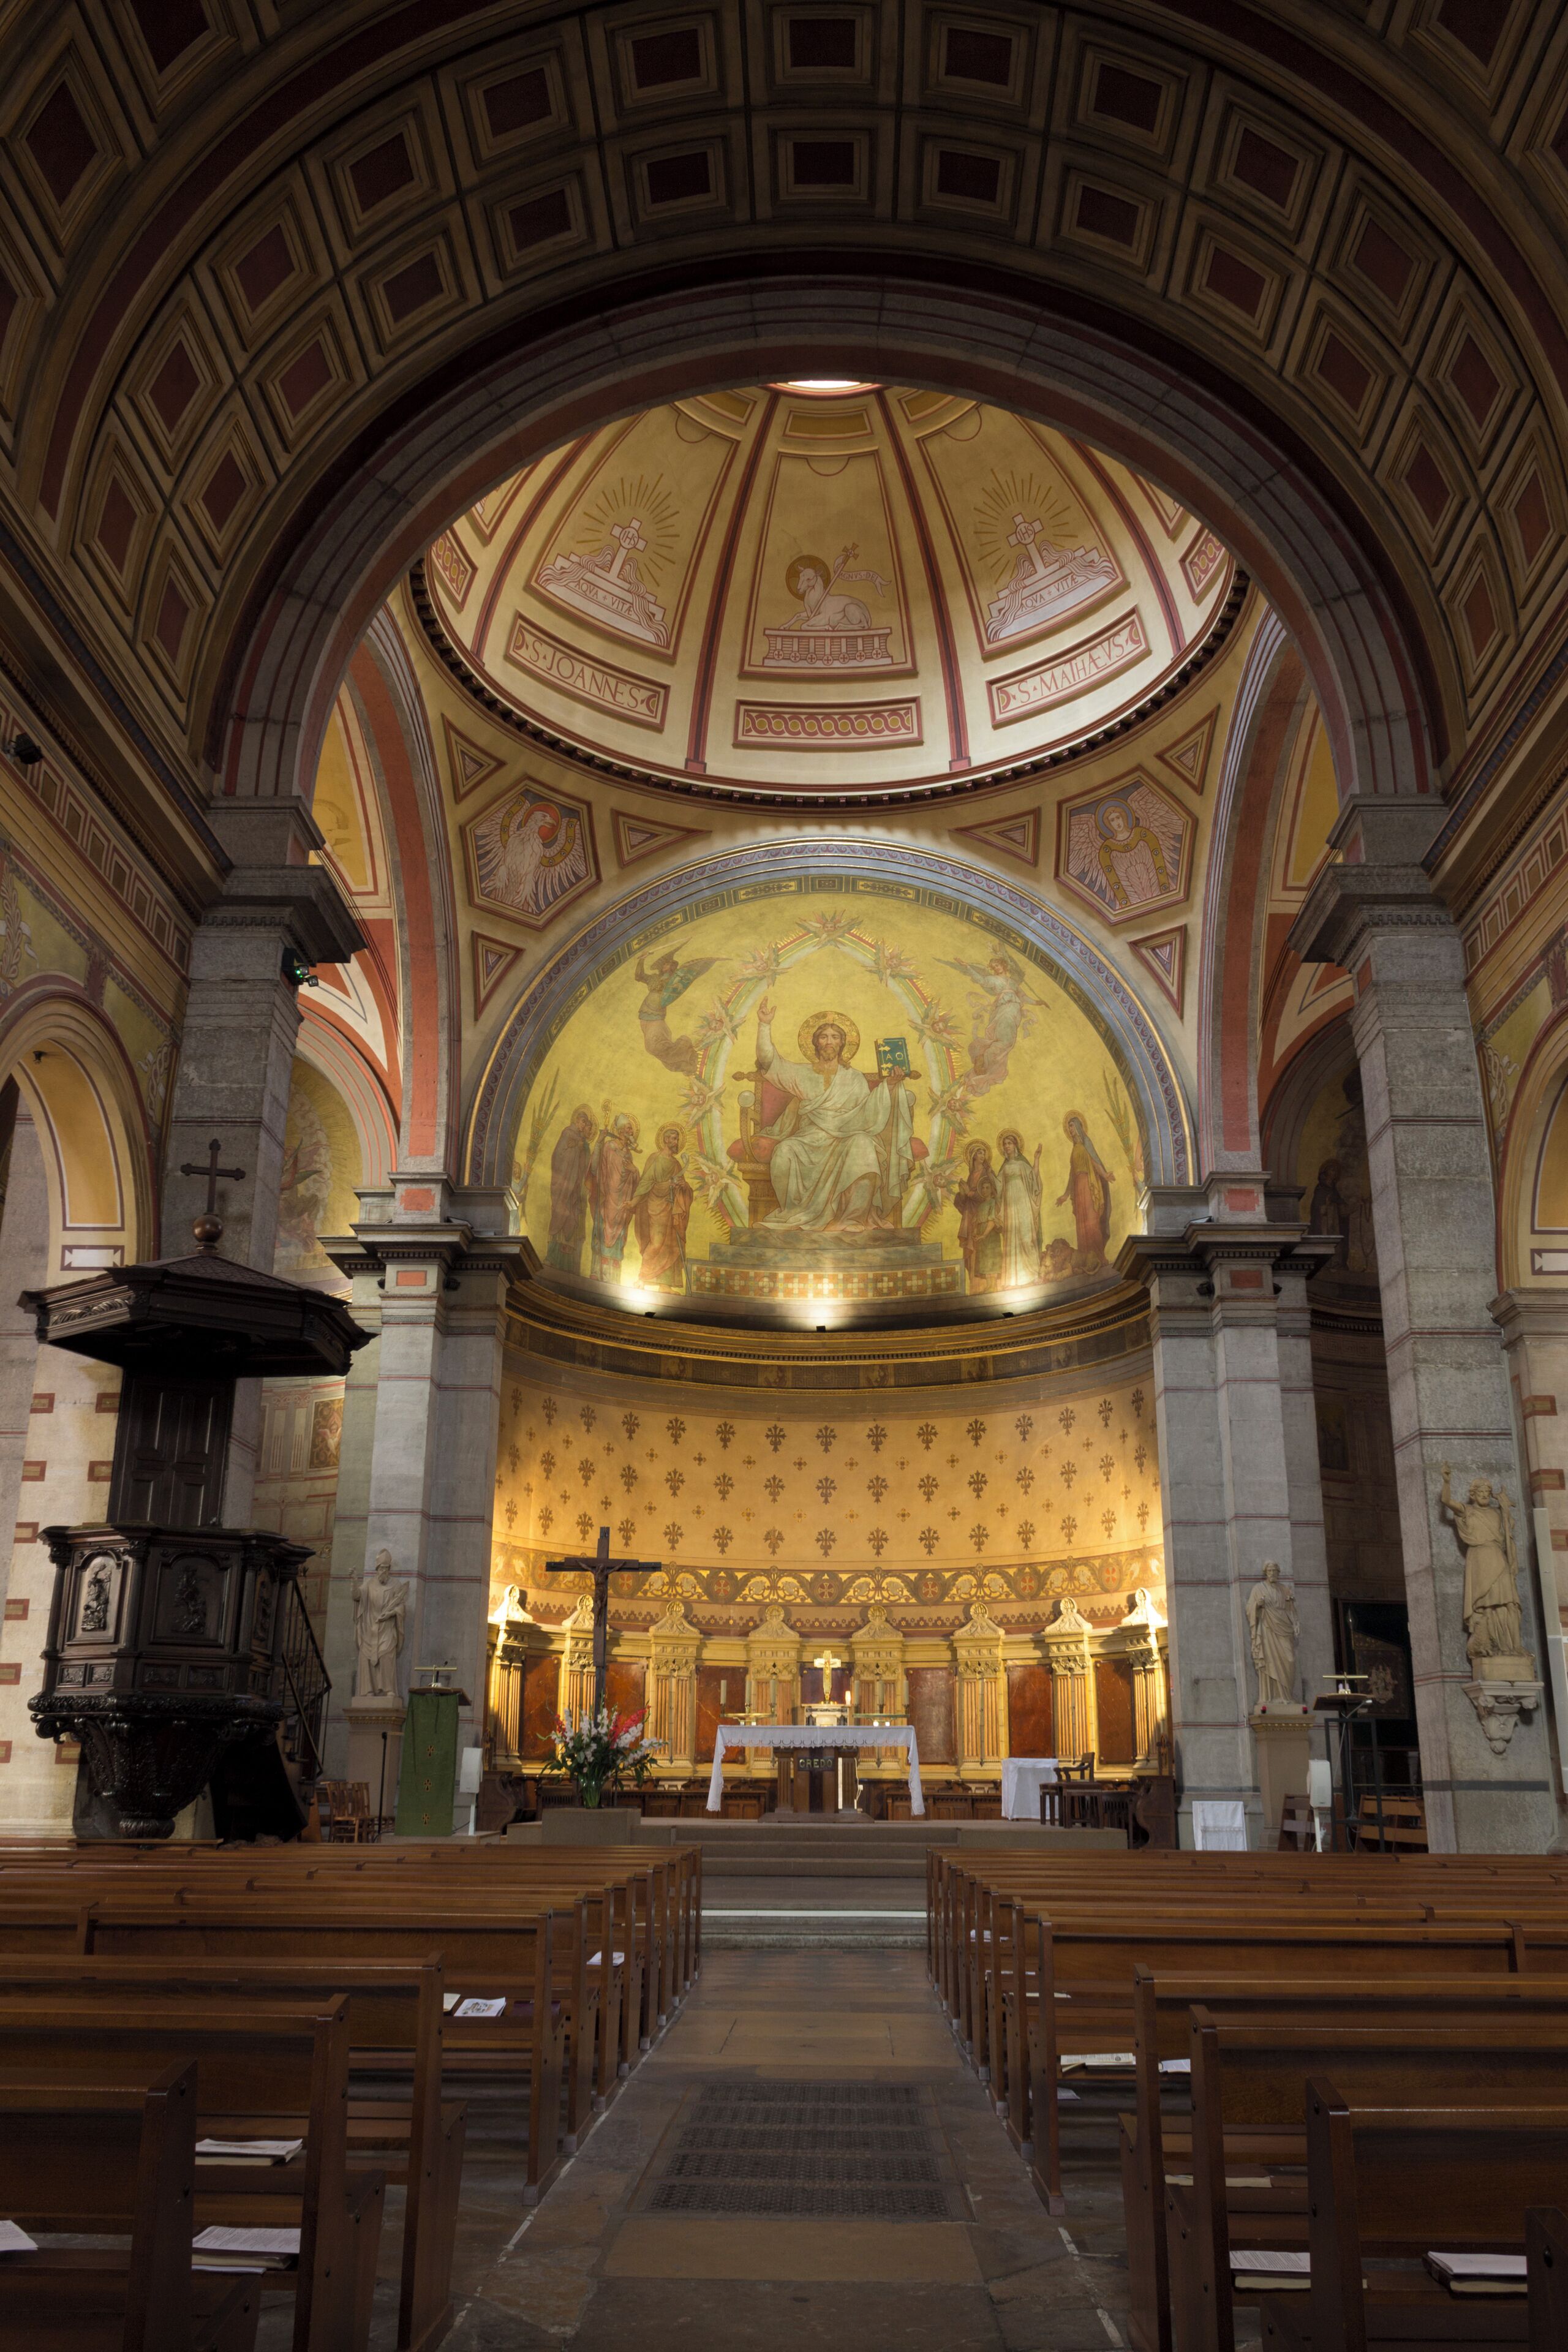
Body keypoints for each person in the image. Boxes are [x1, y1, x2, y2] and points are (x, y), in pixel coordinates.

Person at [753, 1000, 914, 1234]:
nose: (829, 1041)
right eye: (824, 1037)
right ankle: (794, 1213)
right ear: (815, 1043)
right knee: (785, 1151)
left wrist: (889, 1085)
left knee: (863, 1145)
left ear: (842, 1044)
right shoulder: (800, 1073)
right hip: (809, 1140)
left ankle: (851, 1219)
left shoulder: (855, 1078)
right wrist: (764, 1025)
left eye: (835, 1037)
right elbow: (769, 1060)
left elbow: (867, 1113)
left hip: (846, 1137)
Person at [1439, 1463, 1525, 1666]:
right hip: (1479, 1559)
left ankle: (1512, 1646)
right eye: (1481, 1491)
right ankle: (1490, 1643)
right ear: (1473, 1494)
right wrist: (1446, 1481)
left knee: (1509, 1603)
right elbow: (1446, 1501)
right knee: (1485, 1605)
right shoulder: (1467, 1511)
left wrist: (1505, 1510)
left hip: (1498, 1557)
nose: (1485, 1494)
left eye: (1488, 1491)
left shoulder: (1497, 1513)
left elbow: (1507, 1536)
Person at [632, 1123, 694, 1291]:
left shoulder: (676, 1164)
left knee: (671, 1245)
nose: (677, 1142)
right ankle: (641, 1278)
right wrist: (633, 1202)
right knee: (657, 1243)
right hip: (655, 1207)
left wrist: (683, 1186)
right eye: (674, 1139)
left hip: (671, 1210)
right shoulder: (655, 1158)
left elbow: (683, 1189)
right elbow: (646, 1183)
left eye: (678, 1139)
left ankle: (665, 1285)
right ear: (666, 1140)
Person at [586, 1107, 639, 1283]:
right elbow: (596, 1169)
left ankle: (613, 1278)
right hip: (607, 1198)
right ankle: (597, 1271)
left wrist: (635, 1171)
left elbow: (634, 1184)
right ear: (619, 1131)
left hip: (622, 1203)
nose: (631, 1131)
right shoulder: (610, 1147)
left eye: (631, 1129)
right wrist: (600, 1143)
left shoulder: (628, 1154)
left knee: (618, 1236)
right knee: (602, 1231)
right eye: (628, 1128)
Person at [1057, 1112, 1112, 1267]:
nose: (1070, 1130)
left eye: (1072, 1127)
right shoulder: (1074, 1149)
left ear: (1079, 1127)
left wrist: (1105, 1175)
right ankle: (1086, 1259)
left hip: (1089, 1184)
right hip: (1078, 1186)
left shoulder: (1086, 1143)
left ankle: (1099, 1256)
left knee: (1091, 1219)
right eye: (1069, 1128)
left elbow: (1095, 1161)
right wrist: (1066, 1195)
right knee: (1082, 1223)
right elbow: (1072, 1174)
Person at [352, 1548, 408, 1700]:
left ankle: (389, 1689)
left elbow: (401, 1606)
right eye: (382, 1568)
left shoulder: (396, 1585)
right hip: (370, 1627)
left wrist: (391, 1613)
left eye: (387, 1568)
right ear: (377, 1569)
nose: (384, 1571)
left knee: (386, 1656)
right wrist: (354, 1582)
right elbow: (357, 1596)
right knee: (367, 1657)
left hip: (387, 1628)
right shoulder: (369, 1584)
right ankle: (369, 1690)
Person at [546, 1104, 595, 1272]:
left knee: (573, 1217)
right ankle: (552, 1257)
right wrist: (575, 1149)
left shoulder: (582, 1142)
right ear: (576, 1120)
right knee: (561, 1213)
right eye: (582, 1122)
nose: (583, 1126)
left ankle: (568, 1264)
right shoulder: (568, 1133)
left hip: (575, 1187)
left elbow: (587, 1167)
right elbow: (558, 1156)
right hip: (564, 1185)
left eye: (585, 1124)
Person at [1245, 1560, 1299, 1705]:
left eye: (1275, 1571)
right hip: (1267, 1627)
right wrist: (1258, 1605)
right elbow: (1250, 1607)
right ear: (1266, 1573)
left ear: (1279, 1573)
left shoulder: (1285, 1589)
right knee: (1270, 1661)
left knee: (1290, 1660)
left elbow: (1292, 1610)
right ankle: (1271, 1697)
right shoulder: (1258, 1588)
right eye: (1270, 1571)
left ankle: (1287, 1696)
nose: (1273, 1574)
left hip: (1284, 1627)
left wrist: (1294, 1617)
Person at [995, 1128, 1042, 1286]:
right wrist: (989, 1173)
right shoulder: (1005, 1168)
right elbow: (998, 1187)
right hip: (1010, 1205)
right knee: (1012, 1238)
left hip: (1023, 1202)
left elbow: (1033, 1178)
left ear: (1015, 1145)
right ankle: (1013, 1278)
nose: (1007, 1146)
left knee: (1026, 1235)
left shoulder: (1022, 1164)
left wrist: (1036, 1159)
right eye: (1005, 1144)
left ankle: (1034, 1272)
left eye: (1009, 1143)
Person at [954, 1139, 1001, 1292]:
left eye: (984, 1153)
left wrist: (970, 1193)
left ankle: (987, 1286)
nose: (983, 1155)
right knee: (973, 1253)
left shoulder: (987, 1173)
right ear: (974, 1155)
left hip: (984, 1215)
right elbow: (967, 1198)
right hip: (971, 1216)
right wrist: (962, 1194)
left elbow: (988, 1195)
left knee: (984, 1252)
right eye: (980, 1153)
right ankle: (975, 1288)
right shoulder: (971, 1175)